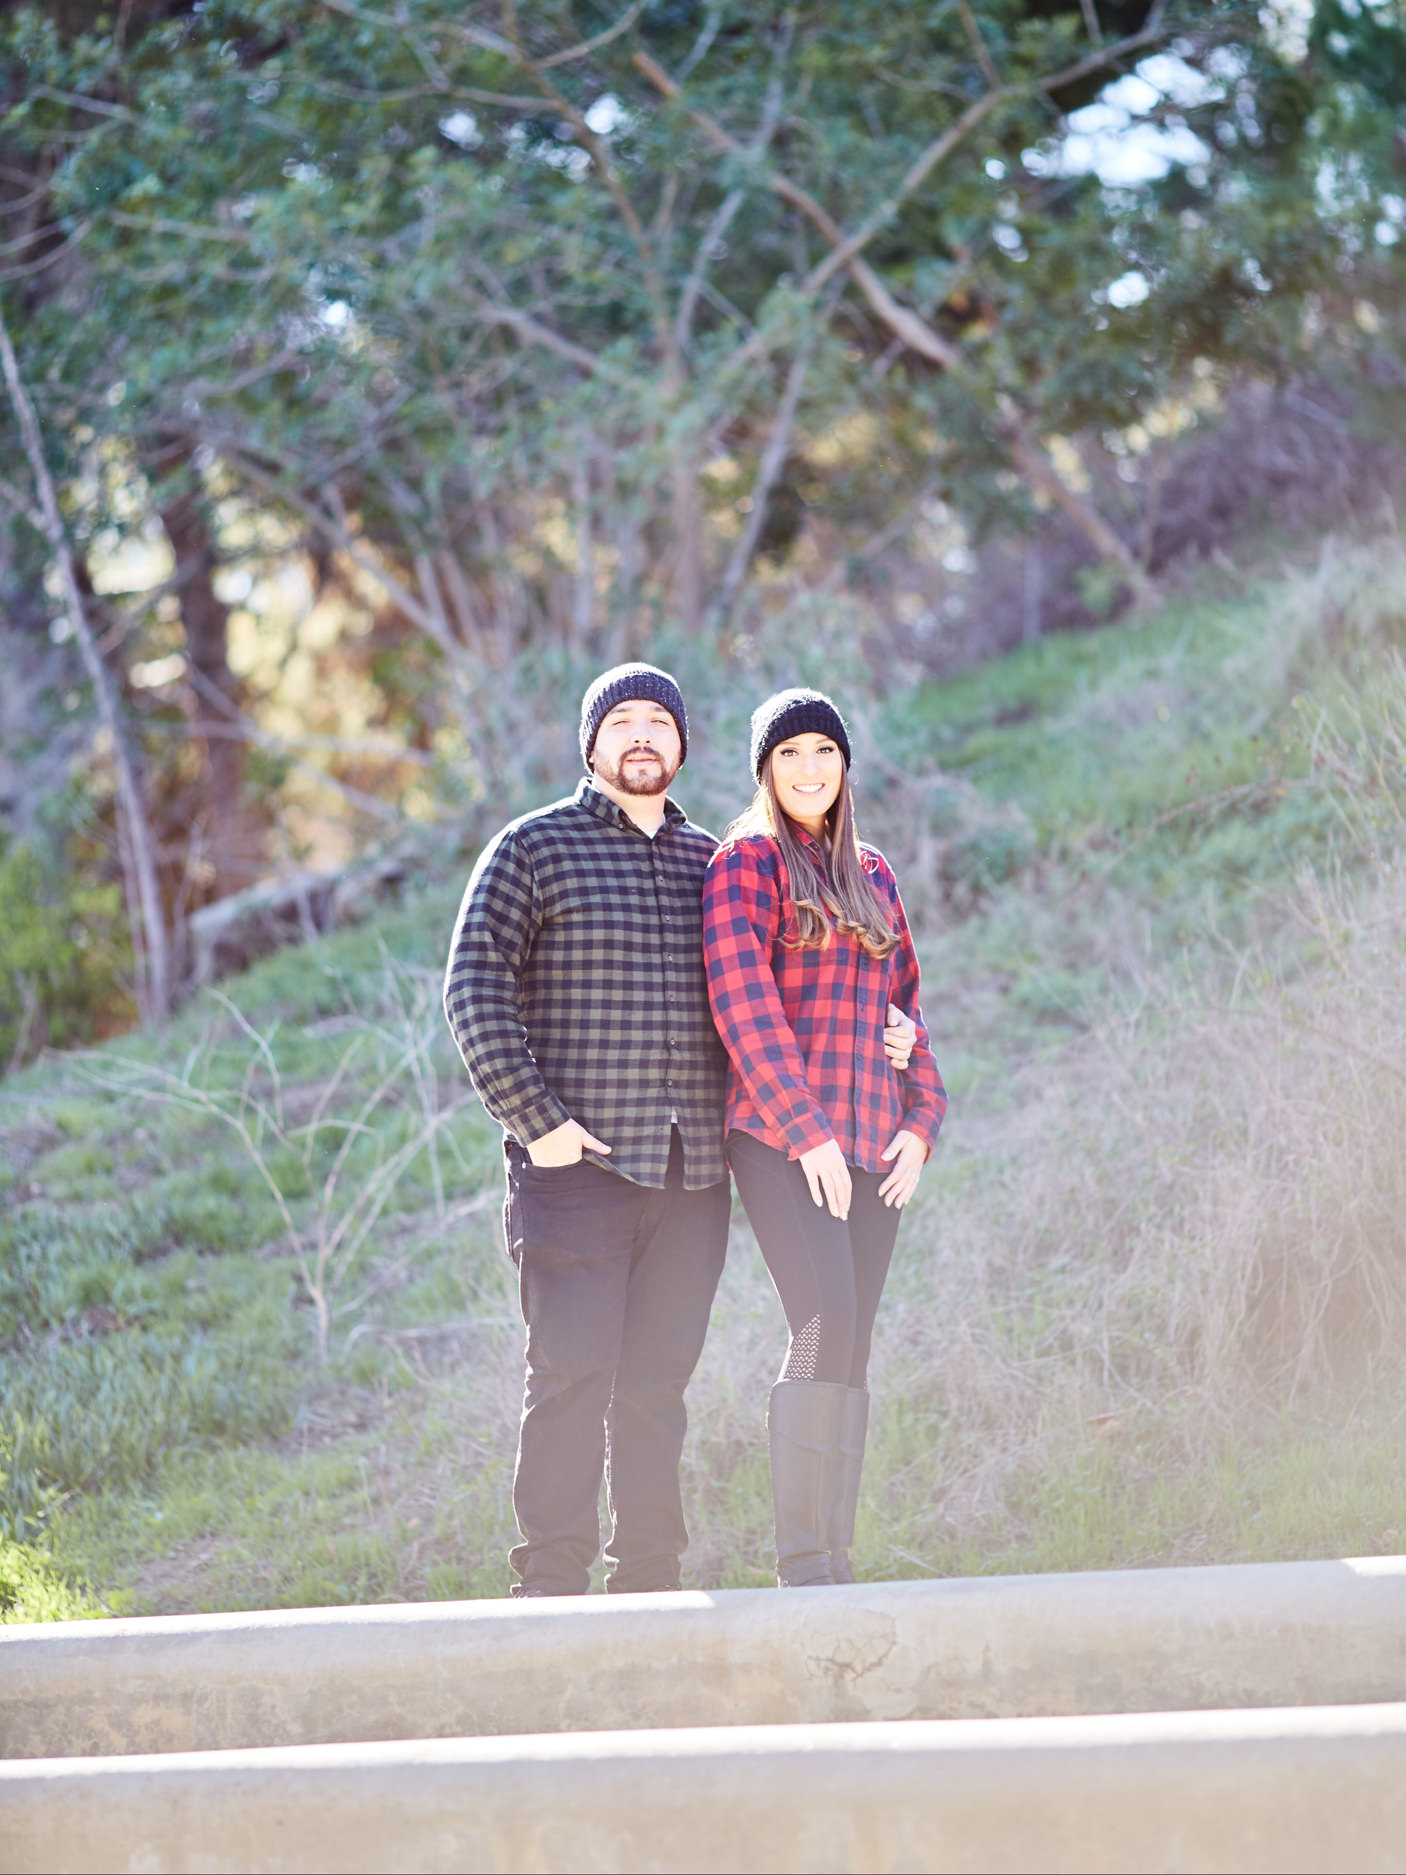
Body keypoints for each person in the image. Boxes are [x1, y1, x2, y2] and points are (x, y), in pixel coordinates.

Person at [443, 663, 731, 1597]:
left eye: (660, 721)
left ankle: (648, 1577)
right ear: (592, 742)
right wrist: (541, 1125)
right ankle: (551, 1589)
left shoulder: (717, 862)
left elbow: (777, 987)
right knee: (569, 1378)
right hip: (575, 1171)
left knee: (657, 1388)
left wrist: (890, 1024)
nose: (642, 736)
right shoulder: (533, 848)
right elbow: (472, 989)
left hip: (693, 1176)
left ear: (681, 744)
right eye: (623, 722)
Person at [702, 687, 947, 1588]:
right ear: (766, 767)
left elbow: (909, 1014)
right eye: (791, 753)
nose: (810, 769)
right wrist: (803, 1133)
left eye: (825, 753)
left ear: (846, 766)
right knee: (821, 1318)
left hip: (872, 1143)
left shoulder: (874, 873)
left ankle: (837, 1559)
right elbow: (743, 1004)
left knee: (856, 1338)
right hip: (780, 1137)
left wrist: (921, 1120)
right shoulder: (747, 863)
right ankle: (802, 1564)